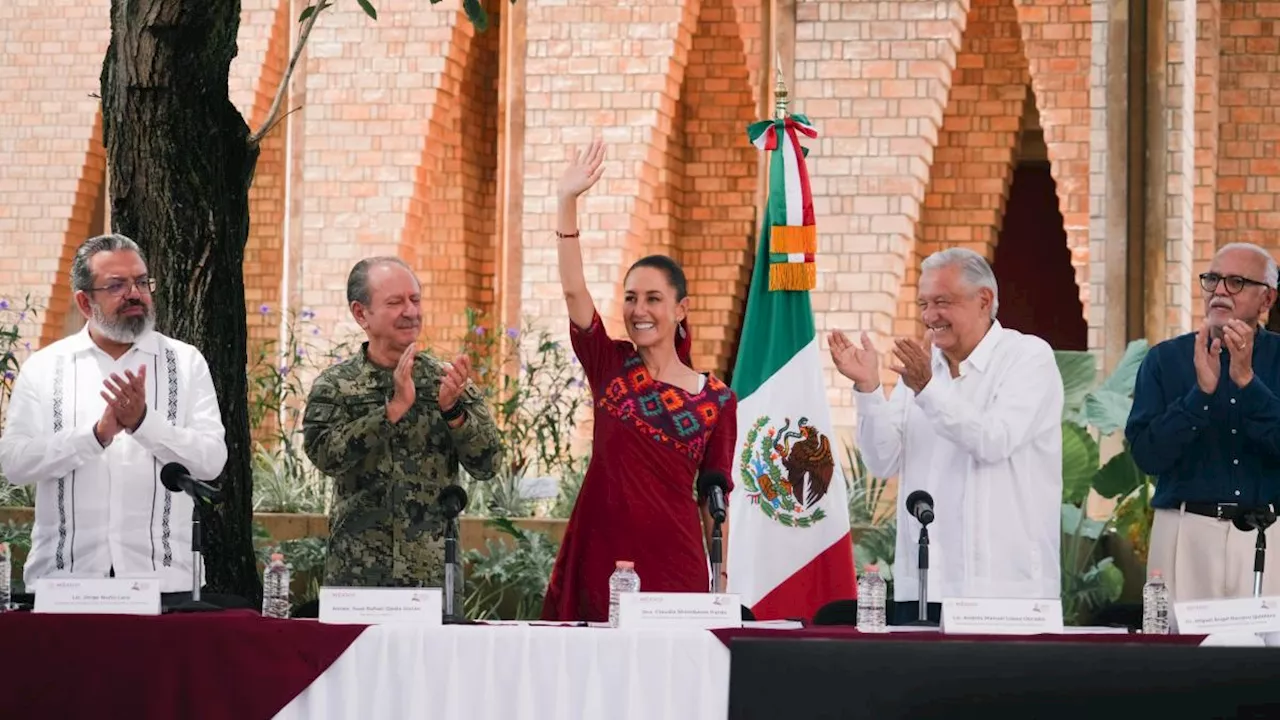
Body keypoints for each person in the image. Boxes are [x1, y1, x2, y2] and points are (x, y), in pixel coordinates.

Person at [541, 139, 739, 622]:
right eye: (631, 298)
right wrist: (567, 202)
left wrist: (723, 579)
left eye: (653, 298)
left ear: (680, 309)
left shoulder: (716, 400)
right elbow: (573, 290)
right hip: (600, 555)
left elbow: (716, 500)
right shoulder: (610, 367)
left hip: (676, 563)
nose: (639, 310)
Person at [831, 247, 1063, 624]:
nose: (929, 316)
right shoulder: (925, 370)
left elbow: (993, 440)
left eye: (942, 301)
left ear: (984, 300)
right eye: (924, 303)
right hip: (923, 585)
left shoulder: (1028, 358)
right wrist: (869, 389)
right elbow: (882, 460)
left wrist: (927, 388)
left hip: (1003, 592)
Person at [0, 233, 227, 594]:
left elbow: (211, 461)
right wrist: (96, 436)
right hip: (65, 582)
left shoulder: (184, 363)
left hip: (164, 583)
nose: (134, 293)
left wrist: (143, 423)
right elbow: (14, 463)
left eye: (141, 281)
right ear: (84, 302)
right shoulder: (45, 368)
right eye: (117, 285)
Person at [302, 256, 502, 591]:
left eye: (415, 300)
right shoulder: (335, 386)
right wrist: (390, 411)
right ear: (361, 313)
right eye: (395, 302)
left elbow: (489, 463)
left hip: (433, 576)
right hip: (358, 577)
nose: (410, 312)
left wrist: (453, 412)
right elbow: (325, 455)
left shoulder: (446, 381)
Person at [1127, 242, 1280, 604]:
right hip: (1184, 533)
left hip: (1269, 537)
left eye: (1236, 281)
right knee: (1178, 657)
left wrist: (1247, 383)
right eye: (1212, 279)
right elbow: (1148, 456)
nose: (1220, 291)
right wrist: (1200, 396)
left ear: (1267, 300)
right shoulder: (1165, 360)